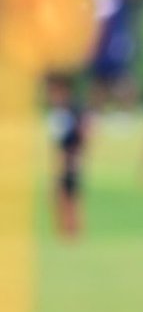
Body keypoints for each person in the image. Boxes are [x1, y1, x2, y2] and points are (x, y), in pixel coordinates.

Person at [45, 71, 89, 238]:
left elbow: (81, 135)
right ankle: (65, 234)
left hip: (70, 160)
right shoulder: (61, 111)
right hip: (63, 159)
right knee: (60, 197)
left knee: (70, 198)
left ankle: (72, 234)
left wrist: (74, 156)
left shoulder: (72, 111)